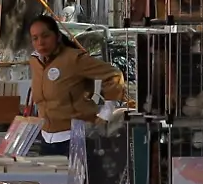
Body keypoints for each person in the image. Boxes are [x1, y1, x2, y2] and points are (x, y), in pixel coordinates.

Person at [26, 14, 129, 157]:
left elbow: (113, 75)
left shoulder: (74, 59)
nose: (40, 43)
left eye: (45, 36)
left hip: (75, 138)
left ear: (57, 36)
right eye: (35, 38)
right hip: (46, 140)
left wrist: (106, 112)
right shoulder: (35, 61)